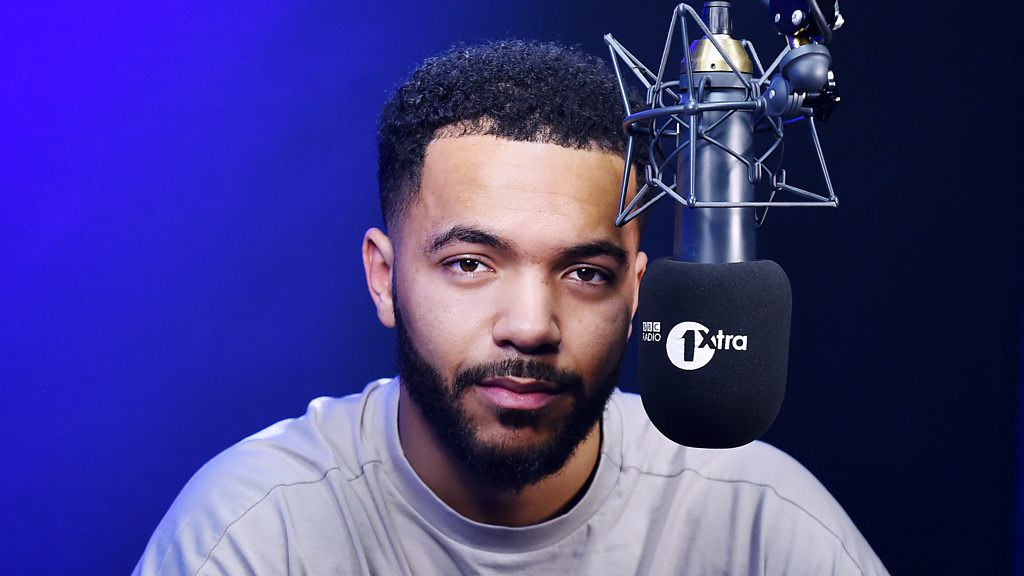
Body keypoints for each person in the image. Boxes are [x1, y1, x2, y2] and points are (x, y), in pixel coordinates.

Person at [135, 40, 887, 575]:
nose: (530, 326)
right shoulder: (252, 532)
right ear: (383, 279)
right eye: (469, 264)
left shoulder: (763, 520)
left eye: (585, 272)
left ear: (637, 291)